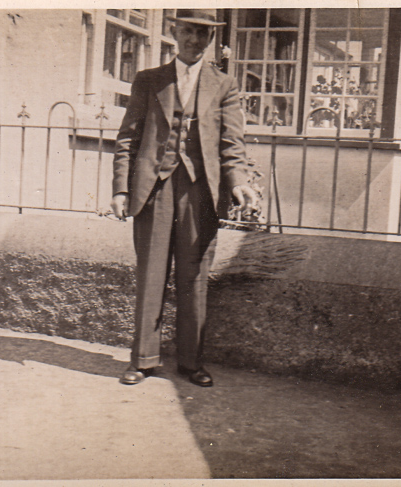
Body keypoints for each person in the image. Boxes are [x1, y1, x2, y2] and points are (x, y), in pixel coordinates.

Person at [110, 9, 257, 387]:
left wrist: (238, 182)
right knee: (151, 274)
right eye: (188, 31)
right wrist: (121, 189)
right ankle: (143, 360)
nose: (194, 40)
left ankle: (191, 363)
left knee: (194, 278)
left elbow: (232, 144)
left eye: (203, 34)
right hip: (153, 189)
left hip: (199, 191)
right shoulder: (148, 81)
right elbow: (127, 138)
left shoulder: (224, 85)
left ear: (211, 40)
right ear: (176, 33)